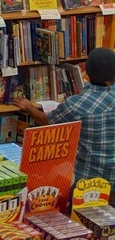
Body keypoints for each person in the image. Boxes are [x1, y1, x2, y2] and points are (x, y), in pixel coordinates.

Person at [12, 47, 115, 184]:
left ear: (86, 73)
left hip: (88, 182)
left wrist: (29, 107)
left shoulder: (76, 104)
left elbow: (47, 121)